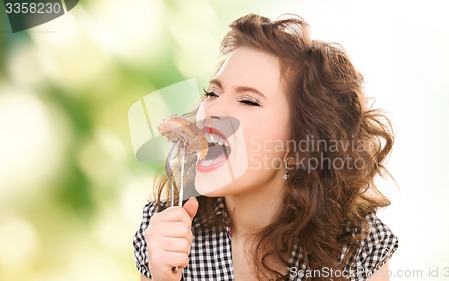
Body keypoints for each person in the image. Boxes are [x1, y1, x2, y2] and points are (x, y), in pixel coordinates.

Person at [133, 14, 398, 281]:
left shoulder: (358, 247)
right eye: (212, 93)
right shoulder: (165, 230)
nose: (211, 109)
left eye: (248, 101)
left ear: (300, 149)